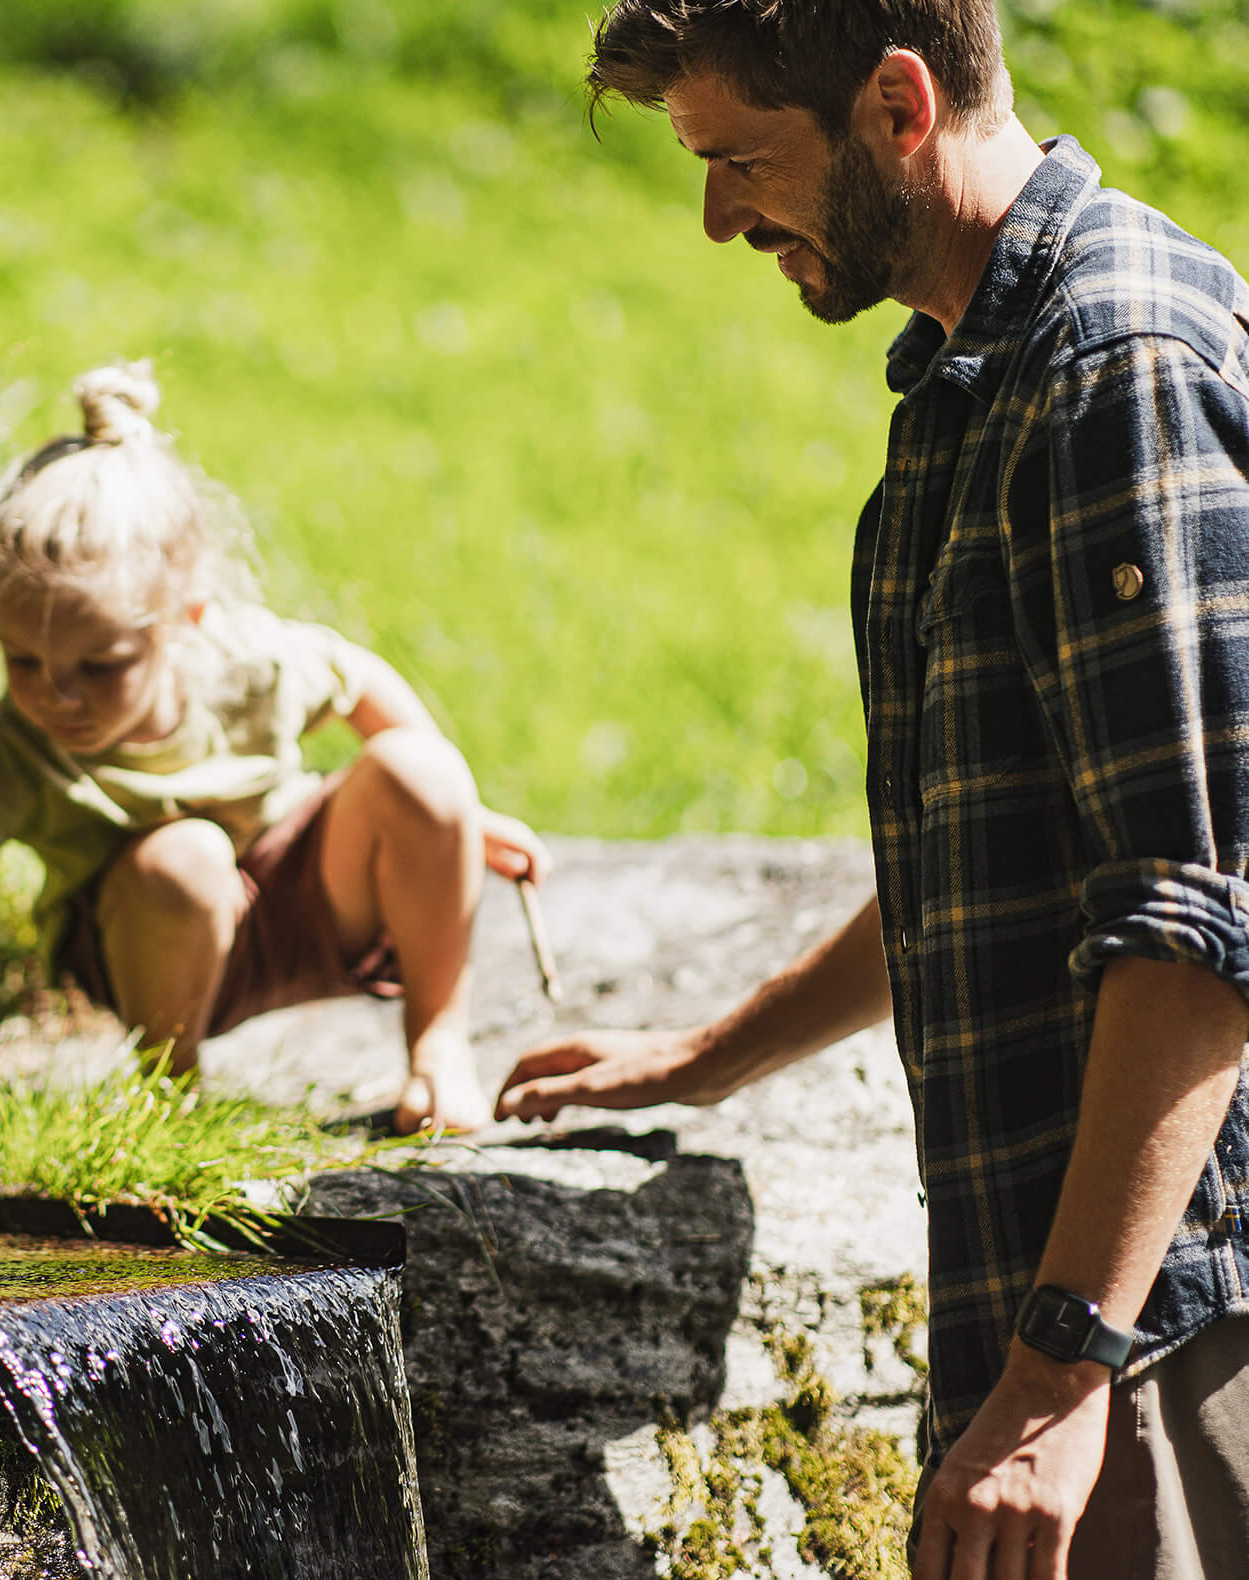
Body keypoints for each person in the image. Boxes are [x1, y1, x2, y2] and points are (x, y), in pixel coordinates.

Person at [495, 5, 1249, 1578]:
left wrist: (1055, 1382)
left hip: (1163, 1343)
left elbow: (1197, 923)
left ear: (898, 105)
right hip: (1066, 1318)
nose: (719, 219)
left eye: (744, 162)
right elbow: (977, 861)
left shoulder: (1115, 367)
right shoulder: (976, 380)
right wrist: (708, 1057)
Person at [0, 361, 545, 1141]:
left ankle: (438, 1045)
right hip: (143, 946)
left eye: (100, 667)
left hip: (300, 909)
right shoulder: (18, 747)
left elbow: (358, 680)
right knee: (184, 857)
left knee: (422, 770)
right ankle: (170, 1091)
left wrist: (459, 819)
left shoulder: (248, 664)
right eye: (22, 661)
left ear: (185, 619)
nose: (56, 696)